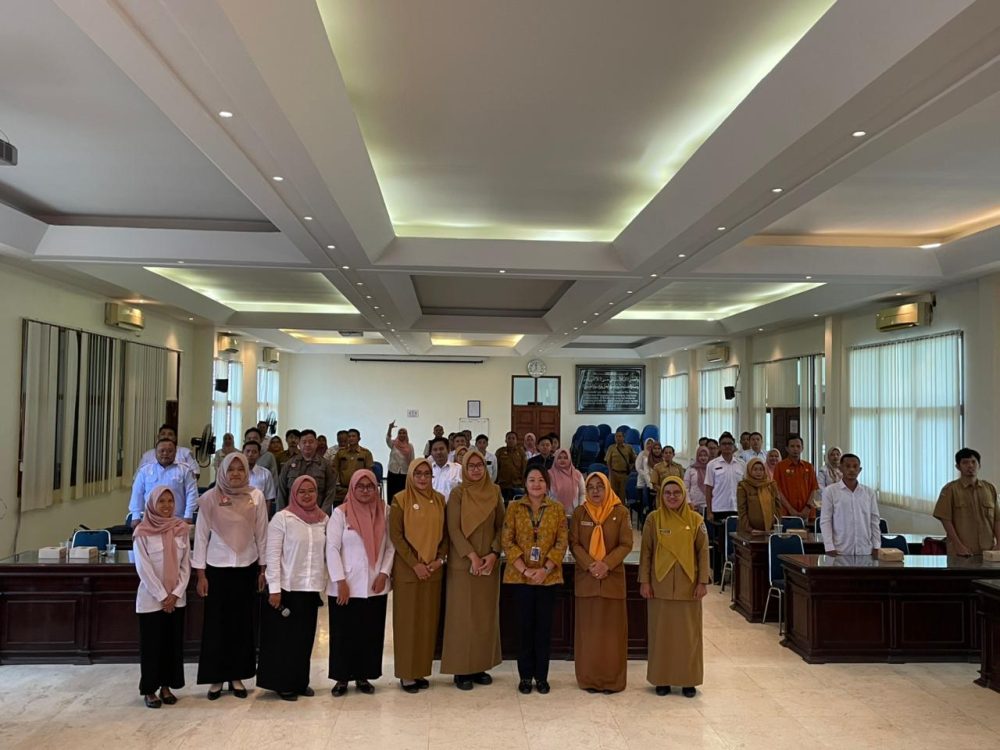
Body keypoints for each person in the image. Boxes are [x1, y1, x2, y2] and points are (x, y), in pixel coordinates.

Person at [192, 453, 268, 700]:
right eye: (231, 469)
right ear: (222, 471)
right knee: (216, 625)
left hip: (246, 566)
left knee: (241, 624)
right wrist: (200, 574)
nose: (235, 473)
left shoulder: (256, 496)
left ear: (247, 471)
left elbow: (262, 533)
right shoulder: (209, 498)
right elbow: (201, 537)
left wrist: (263, 568)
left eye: (240, 469)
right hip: (217, 569)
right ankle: (216, 678)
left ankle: (237, 676)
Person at [257, 475, 327, 701]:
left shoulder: (323, 519)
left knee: (304, 639)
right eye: (301, 491)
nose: (307, 495)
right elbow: (272, 555)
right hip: (287, 588)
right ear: (293, 494)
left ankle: (300, 681)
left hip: (310, 588)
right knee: (283, 640)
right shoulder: (282, 518)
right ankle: (283, 683)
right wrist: (274, 589)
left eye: (311, 491)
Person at [639, 477, 710, 698]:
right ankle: (662, 679)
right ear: (661, 495)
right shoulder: (653, 519)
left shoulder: (696, 520)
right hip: (659, 586)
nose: (672, 497)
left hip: (688, 587)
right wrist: (645, 581)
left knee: (688, 636)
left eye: (676, 493)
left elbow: (703, 553)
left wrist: (703, 582)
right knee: (661, 635)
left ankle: (688, 680)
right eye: (667, 493)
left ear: (684, 495)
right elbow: (646, 552)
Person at [327, 470, 394, 696]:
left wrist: (384, 573)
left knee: (369, 633)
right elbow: (332, 548)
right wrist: (340, 581)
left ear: (377, 488)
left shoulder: (385, 511)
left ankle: (364, 676)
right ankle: (342, 678)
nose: (365, 490)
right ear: (352, 488)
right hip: (345, 585)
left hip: (375, 584)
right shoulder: (341, 513)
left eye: (370, 486)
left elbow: (391, 546)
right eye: (360, 486)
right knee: (343, 633)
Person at [502, 466, 568, 695]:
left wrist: (544, 570)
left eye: (541, 480)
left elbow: (562, 542)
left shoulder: (557, 509)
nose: (536, 484)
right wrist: (525, 570)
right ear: (525, 483)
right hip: (520, 578)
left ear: (547, 484)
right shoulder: (514, 507)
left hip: (547, 579)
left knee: (543, 630)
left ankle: (541, 677)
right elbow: (507, 540)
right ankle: (525, 677)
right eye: (532, 480)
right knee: (524, 629)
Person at [441, 451, 505, 690]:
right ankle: (461, 669)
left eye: (480, 465)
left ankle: (479, 666)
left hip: (488, 564)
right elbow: (453, 529)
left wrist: (494, 553)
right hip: (463, 564)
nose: (477, 469)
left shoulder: (495, 492)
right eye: (471, 466)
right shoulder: (458, 494)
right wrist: (472, 556)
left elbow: (502, 526)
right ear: (465, 469)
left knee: (483, 617)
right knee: (461, 618)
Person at [389, 458, 448, 692]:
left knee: (427, 623)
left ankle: (420, 670)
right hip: (408, 571)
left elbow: (445, 535)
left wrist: (438, 560)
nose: (423, 478)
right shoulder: (400, 500)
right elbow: (396, 536)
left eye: (427, 474)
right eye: (418, 474)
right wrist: (415, 564)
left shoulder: (440, 500)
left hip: (432, 571)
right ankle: (407, 673)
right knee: (408, 624)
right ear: (411, 476)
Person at [569, 472, 633, 693]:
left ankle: (612, 681)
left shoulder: (620, 512)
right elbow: (574, 544)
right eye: (591, 487)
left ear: (608, 488)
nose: (595, 491)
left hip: (612, 580)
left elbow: (626, 544)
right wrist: (590, 565)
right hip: (587, 580)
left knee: (612, 636)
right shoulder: (580, 512)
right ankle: (589, 679)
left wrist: (606, 564)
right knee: (588, 635)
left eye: (600, 486)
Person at [133, 486, 191, 709]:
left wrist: (175, 594)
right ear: (152, 504)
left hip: (176, 599)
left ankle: (166, 686)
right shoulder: (142, 532)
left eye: (170, 501)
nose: (166, 506)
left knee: (171, 646)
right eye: (161, 501)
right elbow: (144, 568)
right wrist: (162, 595)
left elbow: (185, 565)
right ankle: (150, 690)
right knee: (152, 646)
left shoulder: (181, 529)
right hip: (151, 600)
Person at [934, 447, 1000, 556]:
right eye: (965, 462)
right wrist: (958, 545)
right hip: (961, 552)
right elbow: (946, 520)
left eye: (973, 462)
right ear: (958, 467)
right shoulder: (950, 490)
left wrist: (999, 543)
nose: (970, 465)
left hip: (988, 551)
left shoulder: (990, 489)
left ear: (979, 465)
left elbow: (997, 519)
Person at [819, 454, 881, 556]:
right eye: (847, 466)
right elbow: (825, 520)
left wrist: (876, 545)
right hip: (840, 550)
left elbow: (874, 520)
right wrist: (829, 546)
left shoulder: (869, 493)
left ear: (859, 470)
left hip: (865, 550)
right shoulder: (830, 491)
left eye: (855, 466)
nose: (851, 470)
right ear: (840, 469)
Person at [129, 438, 199, 527]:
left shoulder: (185, 470)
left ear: (175, 452)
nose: (165, 454)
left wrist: (188, 515)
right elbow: (137, 494)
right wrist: (136, 516)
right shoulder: (145, 471)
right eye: (162, 451)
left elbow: (192, 493)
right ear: (155, 452)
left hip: (177, 520)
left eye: (170, 451)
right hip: (150, 521)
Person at [704, 434, 744, 582]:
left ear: (734, 446)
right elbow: (708, 489)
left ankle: (735, 574)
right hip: (719, 509)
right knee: (719, 543)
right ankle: (718, 574)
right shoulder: (712, 464)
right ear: (720, 446)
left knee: (736, 543)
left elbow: (745, 488)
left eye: (730, 444)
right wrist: (709, 511)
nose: (727, 446)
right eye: (724, 444)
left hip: (737, 509)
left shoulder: (741, 464)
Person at [276, 429, 337, 513]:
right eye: (304, 442)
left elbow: (330, 492)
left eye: (311, 442)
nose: (307, 445)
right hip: (292, 514)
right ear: (299, 444)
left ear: (316, 443)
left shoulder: (325, 465)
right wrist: (282, 514)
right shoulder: (289, 464)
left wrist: (322, 514)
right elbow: (281, 491)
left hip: (317, 514)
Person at [773, 435, 820, 521]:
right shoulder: (779, 467)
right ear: (787, 448)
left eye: (798, 446)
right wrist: (790, 509)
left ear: (802, 448)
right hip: (786, 513)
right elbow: (777, 490)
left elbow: (814, 489)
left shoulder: (809, 467)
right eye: (792, 446)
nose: (795, 449)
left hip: (808, 513)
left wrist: (807, 507)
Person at [737, 458, 782, 535]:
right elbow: (742, 510)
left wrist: (775, 526)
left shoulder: (771, 485)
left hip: (770, 531)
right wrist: (749, 529)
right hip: (750, 532)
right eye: (755, 469)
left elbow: (778, 507)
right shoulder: (743, 486)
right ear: (749, 470)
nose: (758, 472)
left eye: (761, 469)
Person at [331, 429, 375, 505]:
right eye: (349, 436)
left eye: (353, 436)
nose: (351, 438)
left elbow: (369, 472)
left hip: (359, 489)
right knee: (340, 511)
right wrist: (337, 484)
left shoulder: (365, 453)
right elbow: (334, 470)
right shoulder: (341, 453)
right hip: (342, 489)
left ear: (359, 438)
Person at [243, 440, 277, 515]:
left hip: (259, 513)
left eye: (254, 452)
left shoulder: (266, 474)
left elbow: (268, 499)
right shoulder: (237, 474)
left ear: (259, 455)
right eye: (247, 451)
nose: (250, 454)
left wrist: (265, 517)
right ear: (243, 453)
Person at [549, 448, 586, 516]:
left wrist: (580, 510)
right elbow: (545, 495)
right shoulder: (549, 474)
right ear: (555, 459)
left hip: (574, 514)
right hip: (553, 514)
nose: (562, 460)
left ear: (569, 459)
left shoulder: (577, 474)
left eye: (565, 458)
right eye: (559, 458)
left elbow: (582, 493)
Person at [385, 421, 415, 502]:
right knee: (392, 493)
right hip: (393, 471)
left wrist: (411, 473)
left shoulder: (410, 446)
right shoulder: (393, 444)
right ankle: (391, 508)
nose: (402, 434)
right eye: (400, 433)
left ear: (406, 435)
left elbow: (412, 460)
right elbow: (387, 439)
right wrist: (390, 428)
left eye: (404, 433)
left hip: (404, 473)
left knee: (403, 494)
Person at [604, 431, 637, 501]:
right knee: (613, 495)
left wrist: (630, 467)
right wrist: (610, 474)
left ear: (623, 438)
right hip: (614, 474)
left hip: (624, 474)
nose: (618, 438)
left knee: (623, 494)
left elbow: (634, 459)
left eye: (620, 436)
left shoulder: (628, 448)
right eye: (616, 436)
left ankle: (622, 507)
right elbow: (608, 462)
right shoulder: (611, 448)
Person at [495, 431, 527, 502]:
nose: (511, 440)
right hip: (503, 486)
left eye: (513, 438)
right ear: (505, 440)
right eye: (509, 438)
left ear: (516, 440)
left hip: (517, 485)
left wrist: (523, 484)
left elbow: (524, 469)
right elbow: (496, 468)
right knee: (504, 506)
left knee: (517, 506)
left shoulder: (521, 452)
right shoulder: (500, 452)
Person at [684, 446, 711, 514]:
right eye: (700, 455)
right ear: (697, 456)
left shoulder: (711, 469)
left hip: (709, 505)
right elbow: (685, 488)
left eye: (705, 455)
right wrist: (689, 502)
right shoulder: (691, 469)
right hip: (694, 504)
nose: (703, 458)